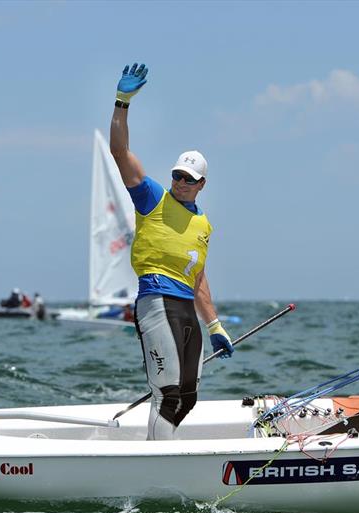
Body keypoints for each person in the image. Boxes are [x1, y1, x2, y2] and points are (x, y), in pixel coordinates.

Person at [110, 62, 234, 440]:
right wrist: (122, 102)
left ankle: (157, 449)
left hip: (185, 308)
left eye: (189, 179)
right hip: (155, 300)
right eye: (178, 175)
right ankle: (154, 462)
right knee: (167, 393)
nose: (181, 182)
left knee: (189, 396)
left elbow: (198, 278)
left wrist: (215, 325)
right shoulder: (152, 198)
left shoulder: (203, 225)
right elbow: (120, 151)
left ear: (201, 184)